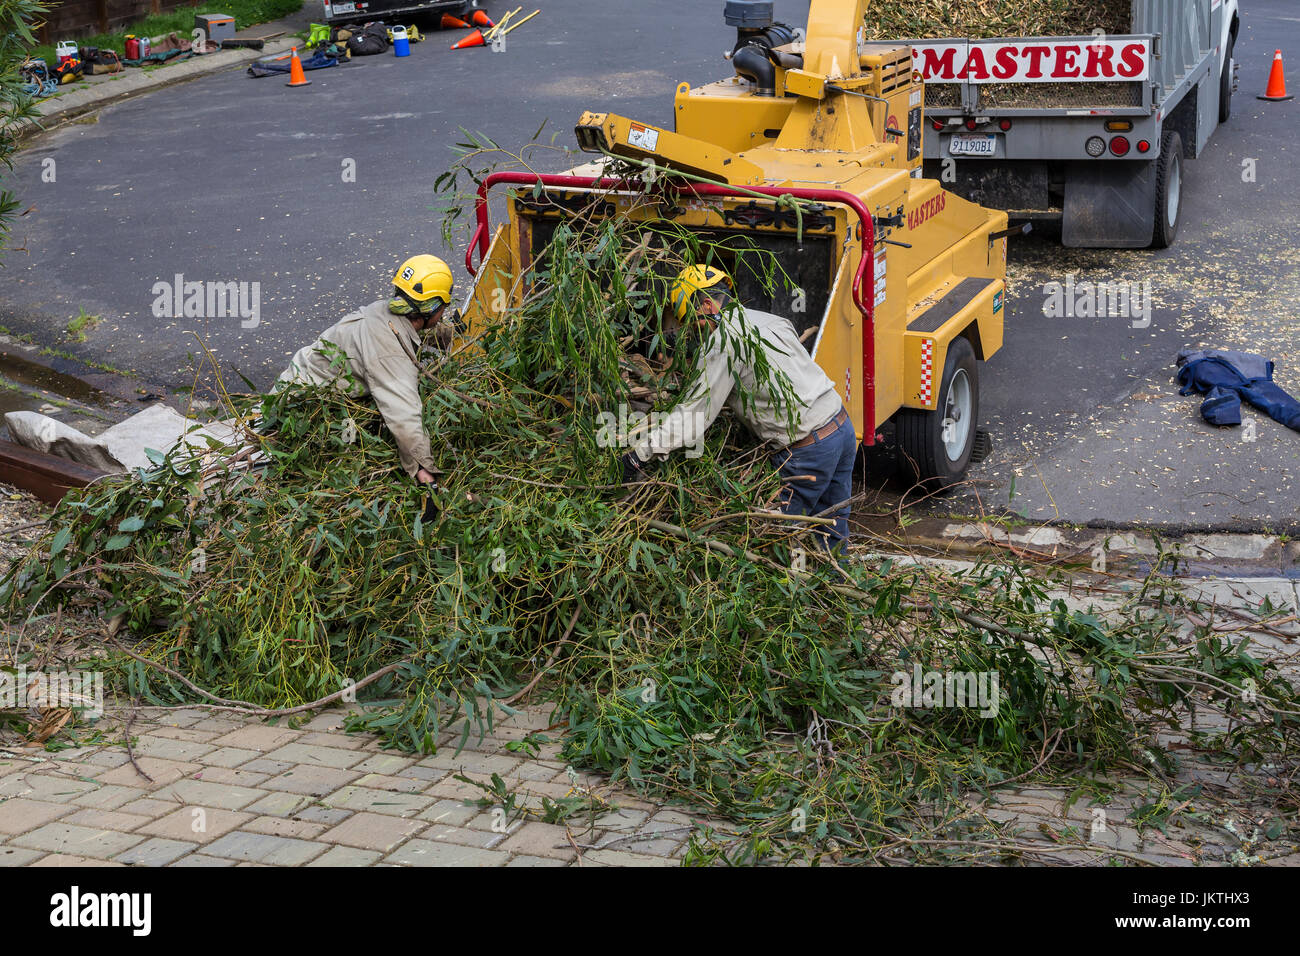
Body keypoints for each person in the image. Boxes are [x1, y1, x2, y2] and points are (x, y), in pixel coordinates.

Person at [621, 265, 859, 548]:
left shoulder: (725, 340)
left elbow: (693, 415)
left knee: (778, 539)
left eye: (694, 322)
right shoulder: (770, 319)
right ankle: (831, 586)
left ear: (708, 305)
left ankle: (791, 588)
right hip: (841, 428)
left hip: (809, 451)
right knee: (832, 525)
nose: (696, 331)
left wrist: (641, 453)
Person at [277, 254, 455, 488]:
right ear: (430, 308)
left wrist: (449, 335)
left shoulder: (385, 313)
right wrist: (424, 469)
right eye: (443, 307)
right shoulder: (388, 352)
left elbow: (411, 334)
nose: (442, 313)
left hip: (300, 383)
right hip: (298, 412)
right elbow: (403, 413)